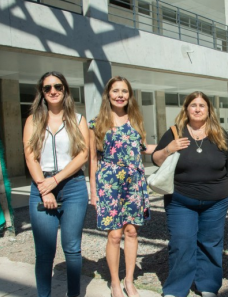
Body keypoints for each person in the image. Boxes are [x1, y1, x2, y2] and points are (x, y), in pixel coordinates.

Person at [152, 91, 228, 297]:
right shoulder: (175, 132)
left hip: (216, 201)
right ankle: (176, 289)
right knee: (181, 242)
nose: (198, 109)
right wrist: (169, 149)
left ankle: (208, 285)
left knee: (211, 243)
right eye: (193, 105)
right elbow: (156, 159)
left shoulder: (221, 134)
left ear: (209, 110)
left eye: (202, 105)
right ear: (186, 109)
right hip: (180, 200)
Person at [23, 71, 89, 297]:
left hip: (72, 186)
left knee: (72, 248)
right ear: (42, 92)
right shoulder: (33, 120)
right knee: (44, 252)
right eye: (47, 88)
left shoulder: (78, 120)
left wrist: (55, 180)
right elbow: (30, 155)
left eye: (57, 87)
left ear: (65, 90)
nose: (53, 91)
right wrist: (45, 188)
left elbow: (83, 155)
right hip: (41, 187)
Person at [88, 76, 156, 297]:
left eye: (124, 91)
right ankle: (115, 283)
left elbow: (143, 147)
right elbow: (92, 159)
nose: (120, 95)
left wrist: (172, 146)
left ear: (129, 95)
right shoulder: (96, 123)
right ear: (108, 94)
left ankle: (129, 280)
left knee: (131, 232)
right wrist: (93, 192)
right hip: (109, 183)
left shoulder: (135, 120)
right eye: (115, 91)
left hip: (134, 182)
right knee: (114, 235)